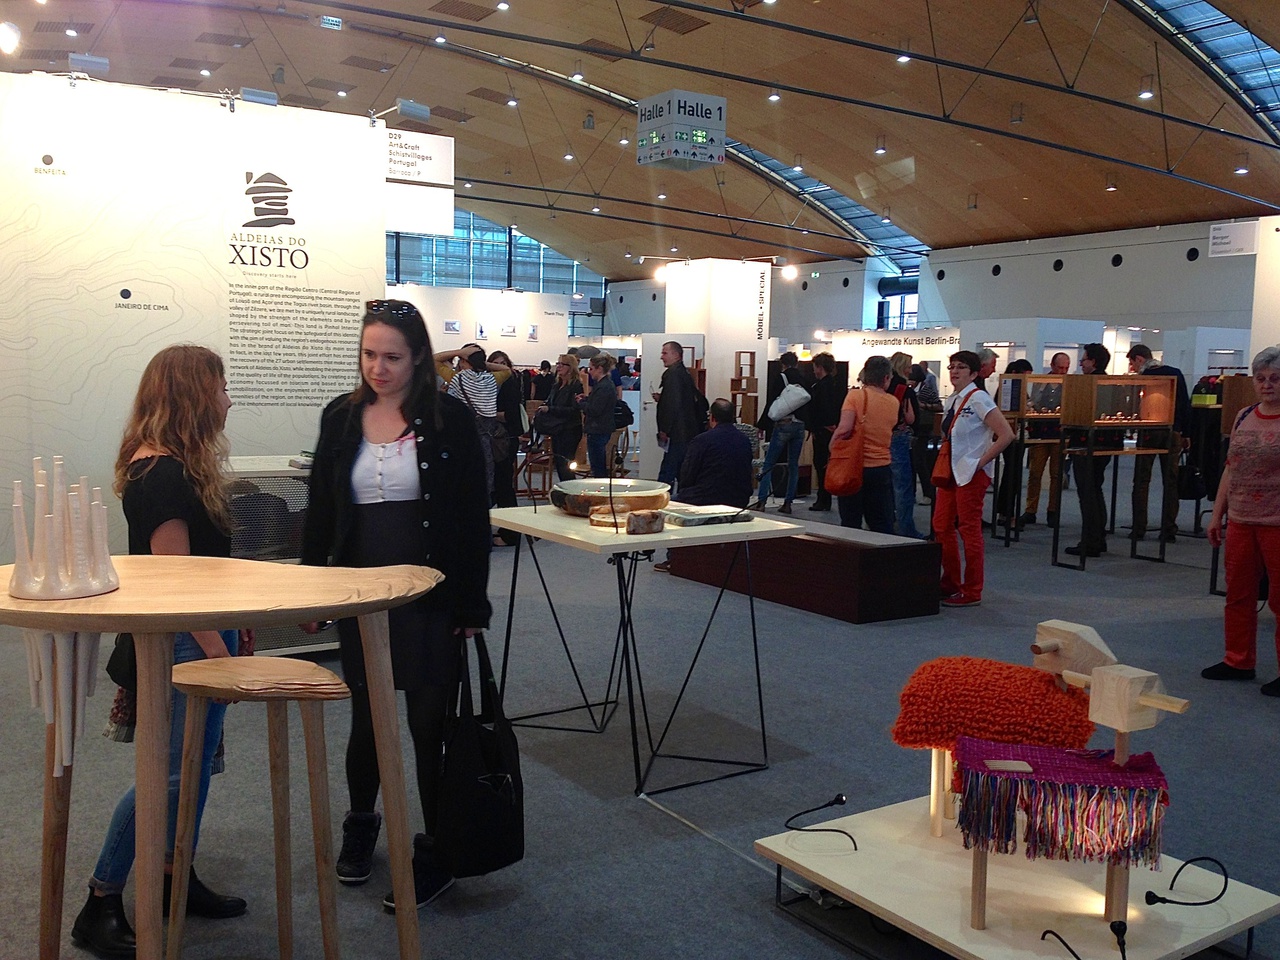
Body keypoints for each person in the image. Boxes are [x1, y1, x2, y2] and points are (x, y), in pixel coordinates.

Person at [301, 299, 491, 913]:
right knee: (367, 718)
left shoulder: (449, 419)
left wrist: (472, 603)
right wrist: (314, 587)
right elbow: (322, 508)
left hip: (430, 596)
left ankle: (435, 849)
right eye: (368, 355)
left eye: (392, 357)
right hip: (363, 596)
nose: (377, 369)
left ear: (418, 359)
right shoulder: (341, 416)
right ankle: (362, 822)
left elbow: (471, 517)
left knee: (429, 725)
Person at [72, 345, 245, 959]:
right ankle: (100, 901)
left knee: (191, 770)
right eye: (220, 387)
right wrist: (220, 654)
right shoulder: (163, 475)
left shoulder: (168, 467)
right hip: (186, 641)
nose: (228, 399)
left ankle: (174, 876)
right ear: (194, 397)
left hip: (199, 635)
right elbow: (178, 587)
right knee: (168, 776)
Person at [1201, 347, 1280, 693]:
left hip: (1277, 522)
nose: (1267, 385)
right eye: (1261, 378)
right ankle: (1238, 660)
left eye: (1275, 379)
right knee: (1238, 594)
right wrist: (1217, 514)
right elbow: (1231, 468)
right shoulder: (1243, 415)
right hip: (1241, 519)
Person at [932, 350, 1015, 607]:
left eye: (961, 367)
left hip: (971, 474)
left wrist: (980, 462)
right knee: (941, 525)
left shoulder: (979, 398)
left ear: (974, 373)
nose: (955, 371)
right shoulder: (952, 400)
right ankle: (950, 582)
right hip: (951, 472)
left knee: (969, 529)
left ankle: (972, 590)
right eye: (952, 367)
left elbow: (1006, 434)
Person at [653, 399, 754, 573]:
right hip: (738, 497)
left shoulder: (702, 440)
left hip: (706, 496)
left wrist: (685, 491)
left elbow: (687, 474)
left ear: (712, 418)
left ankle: (675, 559)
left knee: (669, 504)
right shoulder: (744, 440)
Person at [1127, 343, 1191, 543]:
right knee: (1170, 481)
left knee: (1141, 480)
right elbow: (1184, 404)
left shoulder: (1143, 378)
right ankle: (1169, 529)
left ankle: (1139, 528)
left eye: (1133, 363)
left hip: (1148, 431)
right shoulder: (1175, 373)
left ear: (1139, 359)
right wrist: (1186, 433)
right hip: (1172, 431)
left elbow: (1135, 405)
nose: (1133, 368)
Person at [1065, 343, 1122, 558]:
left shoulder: (1087, 384)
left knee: (1087, 492)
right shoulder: (1111, 383)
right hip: (1105, 443)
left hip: (1086, 443)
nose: (1081, 363)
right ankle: (1098, 537)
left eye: (1084, 359)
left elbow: (1078, 413)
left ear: (1094, 362)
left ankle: (1091, 540)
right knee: (1095, 489)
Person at [832, 355, 898, 534]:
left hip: (854, 467)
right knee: (881, 522)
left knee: (851, 521)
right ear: (886, 377)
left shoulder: (855, 396)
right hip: (882, 467)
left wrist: (833, 447)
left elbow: (844, 429)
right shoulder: (893, 402)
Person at [750, 351, 808, 514]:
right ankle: (788, 503)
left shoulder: (781, 378)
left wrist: (762, 425)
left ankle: (761, 501)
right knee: (793, 465)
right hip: (799, 426)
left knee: (769, 463)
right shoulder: (803, 380)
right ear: (796, 363)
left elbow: (771, 402)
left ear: (783, 364)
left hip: (783, 424)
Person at [1020, 351, 1071, 527]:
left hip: (1059, 433)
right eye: (1060, 367)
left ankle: (1053, 510)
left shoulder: (1069, 383)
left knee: (1056, 474)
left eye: (1066, 368)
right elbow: (1034, 402)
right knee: (1035, 473)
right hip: (1040, 431)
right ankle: (1030, 510)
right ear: (1052, 366)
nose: (1063, 371)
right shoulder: (1040, 382)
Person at [447, 347, 501, 496]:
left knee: (461, 477)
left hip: (461, 435)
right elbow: (507, 370)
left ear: (464, 361)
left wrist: (458, 352)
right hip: (484, 437)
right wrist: (481, 363)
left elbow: (434, 359)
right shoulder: (491, 379)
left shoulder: (456, 378)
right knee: (484, 476)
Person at [655, 340, 700, 494]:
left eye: (665, 353)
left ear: (676, 355)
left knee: (668, 472)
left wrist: (665, 429)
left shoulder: (673, 375)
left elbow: (673, 404)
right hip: (685, 431)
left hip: (677, 433)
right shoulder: (683, 373)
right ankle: (682, 499)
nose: (661, 357)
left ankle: (660, 500)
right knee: (682, 472)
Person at [488, 350, 523, 544]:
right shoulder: (491, 383)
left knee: (503, 486)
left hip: (505, 439)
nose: (499, 367)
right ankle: (508, 530)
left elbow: (510, 415)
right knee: (499, 485)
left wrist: (486, 413)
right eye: (495, 363)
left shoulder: (509, 383)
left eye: (502, 363)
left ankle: (511, 534)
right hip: (498, 438)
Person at [995, 358, 1034, 527]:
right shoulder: (1008, 388)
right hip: (1012, 436)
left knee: (1012, 475)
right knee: (1012, 475)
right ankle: (1007, 513)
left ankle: (1005, 512)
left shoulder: (1014, 387)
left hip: (1017, 436)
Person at [888, 352, 922, 537]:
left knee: (885, 485)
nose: (911, 370)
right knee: (903, 486)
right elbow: (911, 418)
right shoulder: (904, 389)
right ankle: (906, 528)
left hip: (880, 437)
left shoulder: (881, 387)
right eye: (909, 366)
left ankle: (886, 523)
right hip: (899, 438)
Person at [806, 352, 843, 512]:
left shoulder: (822, 386)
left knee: (821, 464)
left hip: (823, 431)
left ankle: (823, 499)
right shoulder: (834, 384)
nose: (813, 371)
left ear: (820, 367)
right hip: (828, 430)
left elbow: (823, 409)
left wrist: (823, 425)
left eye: (815, 367)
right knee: (824, 465)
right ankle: (824, 498)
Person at [540, 354, 584, 482]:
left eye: (562, 364)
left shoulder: (575, 385)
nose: (558, 367)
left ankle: (570, 489)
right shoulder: (557, 385)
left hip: (570, 429)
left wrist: (550, 409)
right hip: (557, 428)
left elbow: (574, 410)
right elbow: (550, 401)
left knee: (566, 465)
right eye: (558, 363)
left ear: (570, 367)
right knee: (559, 464)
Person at [579, 352, 618, 478]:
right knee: (597, 464)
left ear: (599, 369)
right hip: (599, 428)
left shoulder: (604, 386)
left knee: (598, 466)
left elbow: (595, 410)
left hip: (598, 429)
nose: (589, 372)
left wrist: (581, 403)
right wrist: (586, 399)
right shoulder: (603, 385)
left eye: (591, 369)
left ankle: (601, 487)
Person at [909, 363, 941, 505]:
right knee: (912, 462)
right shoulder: (910, 390)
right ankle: (913, 493)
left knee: (920, 461)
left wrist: (924, 405)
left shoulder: (926, 390)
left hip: (923, 428)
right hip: (913, 428)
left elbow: (939, 405)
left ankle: (928, 493)